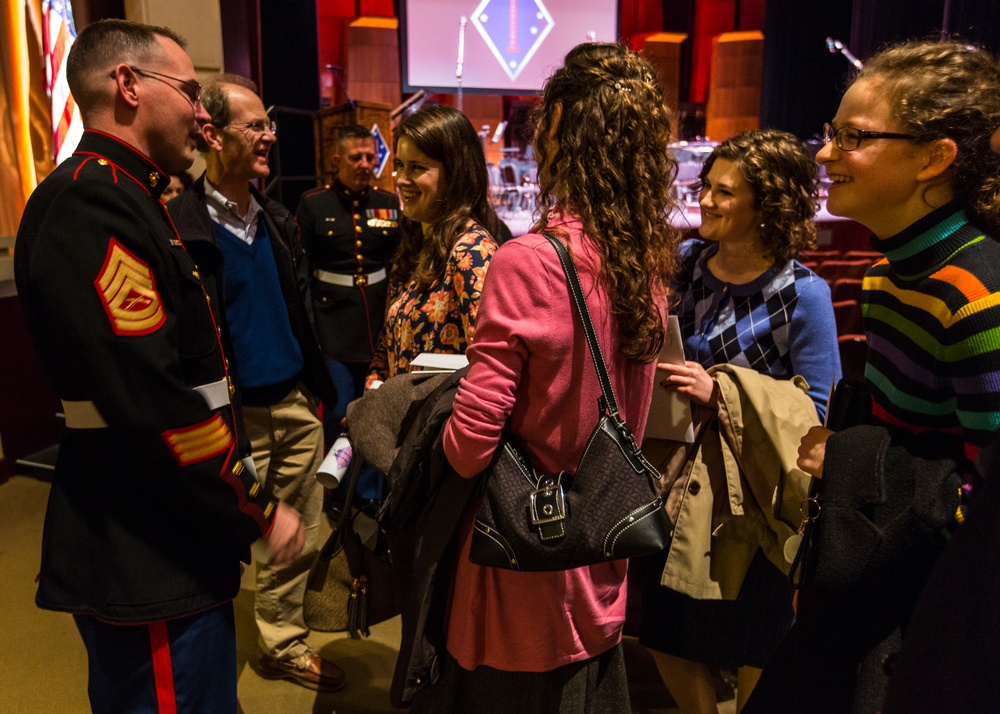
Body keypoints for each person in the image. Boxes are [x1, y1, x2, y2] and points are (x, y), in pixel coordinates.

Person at [13, 20, 303, 713]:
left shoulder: (131, 194)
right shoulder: (93, 201)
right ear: (129, 85)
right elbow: (153, 398)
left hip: (166, 518)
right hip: (145, 531)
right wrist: (256, 508)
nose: (204, 113)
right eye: (191, 92)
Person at [416, 43, 679, 712]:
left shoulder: (528, 260)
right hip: (599, 550)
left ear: (559, 124)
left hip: (519, 563)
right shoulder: (643, 262)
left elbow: (471, 447)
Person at [750, 39, 1000, 713]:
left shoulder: (980, 298)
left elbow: (987, 511)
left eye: (852, 138)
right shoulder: (889, 274)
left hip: (935, 625)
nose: (825, 155)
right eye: (830, 136)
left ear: (934, 158)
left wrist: (851, 456)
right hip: (876, 598)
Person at [644, 129, 841, 713]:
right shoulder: (685, 265)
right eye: (706, 185)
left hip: (752, 494)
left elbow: (818, 413)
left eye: (723, 191)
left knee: (756, 635)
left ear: (768, 204)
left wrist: (723, 391)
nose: (703, 199)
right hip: (673, 476)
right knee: (665, 628)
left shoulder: (805, 294)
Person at [167, 75, 344, 691]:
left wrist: (315, 391)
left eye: (270, 124)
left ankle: (281, 642)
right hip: (232, 418)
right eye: (256, 125)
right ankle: (205, 657)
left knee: (301, 530)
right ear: (212, 135)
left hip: (293, 402)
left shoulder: (275, 218)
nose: (271, 135)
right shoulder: (180, 227)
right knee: (226, 532)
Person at [365, 104, 504, 388]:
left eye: (417, 167)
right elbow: (387, 344)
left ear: (455, 174)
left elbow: (493, 370)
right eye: (400, 165)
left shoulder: (472, 251)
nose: (402, 179)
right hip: (402, 422)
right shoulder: (416, 243)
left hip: (442, 429)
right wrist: (374, 382)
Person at [297, 125, 400, 409]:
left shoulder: (388, 203)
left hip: (379, 320)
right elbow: (302, 272)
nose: (365, 165)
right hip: (333, 326)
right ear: (337, 160)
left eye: (370, 157)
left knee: (378, 407)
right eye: (356, 157)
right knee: (338, 408)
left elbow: (399, 263)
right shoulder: (315, 204)